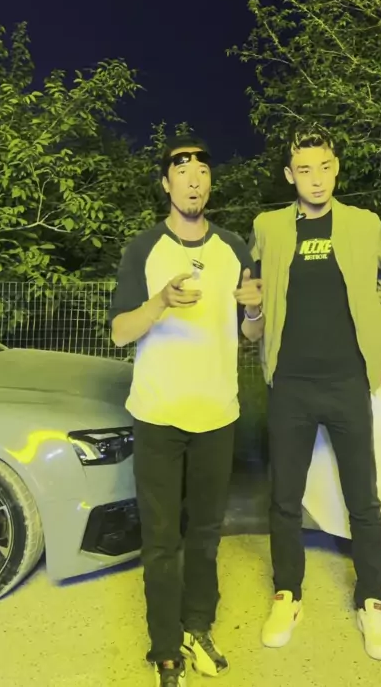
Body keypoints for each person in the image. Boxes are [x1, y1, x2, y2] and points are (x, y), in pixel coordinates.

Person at [109, 134, 263, 687]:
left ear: (209, 183)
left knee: (205, 533)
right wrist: (158, 303)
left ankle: (198, 626)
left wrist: (255, 311)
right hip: (158, 415)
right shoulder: (144, 249)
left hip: (217, 415)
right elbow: (119, 332)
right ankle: (165, 649)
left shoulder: (233, 249)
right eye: (182, 172)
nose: (193, 181)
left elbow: (250, 335)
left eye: (202, 172)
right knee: (160, 540)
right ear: (166, 184)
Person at [248, 125, 381, 661]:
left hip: (347, 381)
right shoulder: (268, 227)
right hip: (289, 383)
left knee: (364, 498)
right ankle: (287, 595)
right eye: (304, 170)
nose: (316, 179)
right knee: (283, 499)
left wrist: (375, 328)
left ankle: (372, 600)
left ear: (336, 169)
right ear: (290, 175)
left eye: (324, 167)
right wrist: (253, 311)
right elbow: (255, 291)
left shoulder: (364, 223)